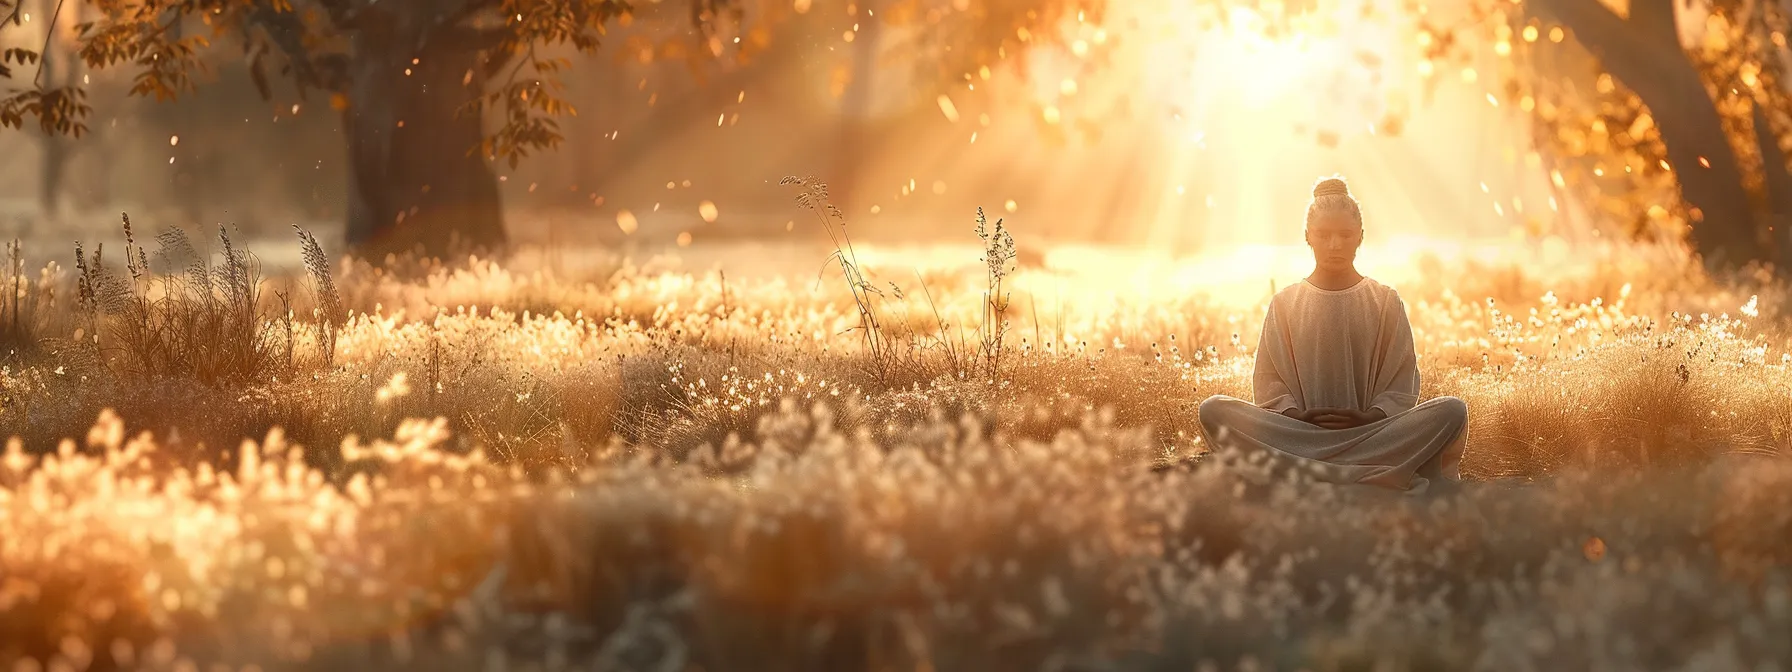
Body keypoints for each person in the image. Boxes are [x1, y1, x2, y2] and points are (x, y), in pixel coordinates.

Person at [1197, 175, 1468, 494]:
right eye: (1324, 235)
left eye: (1345, 234)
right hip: (1300, 435)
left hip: (1371, 434)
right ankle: (1365, 471)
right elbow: (1269, 381)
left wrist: (1369, 416)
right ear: (1307, 237)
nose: (1335, 244)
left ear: (1360, 237)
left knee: (1452, 410)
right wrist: (1297, 415)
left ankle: (1308, 470)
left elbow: (1401, 383)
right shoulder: (1285, 302)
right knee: (1213, 408)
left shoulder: (1384, 301)